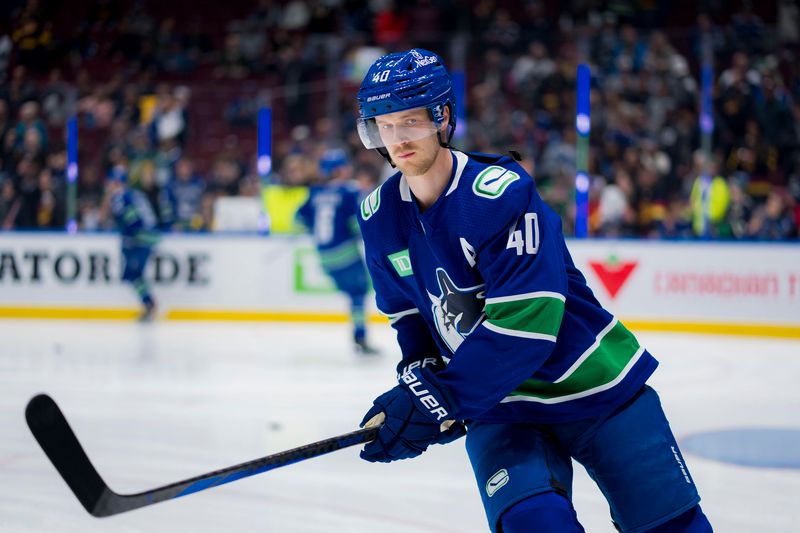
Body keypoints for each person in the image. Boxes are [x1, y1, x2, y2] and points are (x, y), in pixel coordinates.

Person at [353, 48, 712, 533]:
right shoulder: (379, 216)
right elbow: (408, 315)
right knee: (535, 525)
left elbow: (525, 328)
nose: (398, 140)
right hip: (497, 405)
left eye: (411, 121)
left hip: (593, 383)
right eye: (384, 125)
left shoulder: (500, 193)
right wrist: (419, 377)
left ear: (442, 118)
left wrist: (441, 398)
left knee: (674, 529)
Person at [295, 148, 379, 355]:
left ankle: (360, 336)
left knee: (353, 294)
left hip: (324, 256)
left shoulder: (315, 192)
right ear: (340, 169)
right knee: (359, 293)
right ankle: (360, 337)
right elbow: (355, 224)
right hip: (346, 253)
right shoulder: (350, 191)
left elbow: (298, 219)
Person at [105, 165, 160, 321]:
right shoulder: (133, 194)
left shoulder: (121, 196)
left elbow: (132, 221)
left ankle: (149, 304)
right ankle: (148, 303)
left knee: (132, 274)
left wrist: (127, 238)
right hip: (146, 237)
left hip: (140, 239)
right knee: (133, 275)